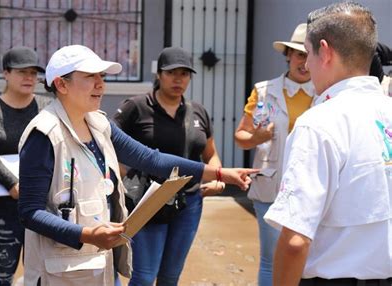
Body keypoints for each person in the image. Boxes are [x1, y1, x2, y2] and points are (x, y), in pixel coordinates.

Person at [17, 44, 257, 285]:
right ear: (61, 84)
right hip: (58, 270)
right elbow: (30, 213)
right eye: (90, 76)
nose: (101, 84)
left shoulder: (99, 124)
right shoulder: (44, 135)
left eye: (102, 76)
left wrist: (218, 173)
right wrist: (86, 235)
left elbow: (150, 159)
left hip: (97, 262)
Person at [263, 2, 392, 285]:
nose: (306, 63)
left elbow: (295, 240)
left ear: (326, 51)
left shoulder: (319, 124)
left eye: (307, 53)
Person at [113, 46, 225, 286]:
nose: (178, 79)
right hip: (149, 200)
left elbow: (211, 154)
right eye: (172, 72)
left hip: (190, 202)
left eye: (185, 73)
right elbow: (106, 143)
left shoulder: (198, 112)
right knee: (143, 276)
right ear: (159, 75)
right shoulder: (136, 107)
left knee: (170, 276)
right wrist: (124, 175)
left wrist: (217, 177)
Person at [234, 23, 315, 286]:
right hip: (270, 187)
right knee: (271, 260)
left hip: (311, 190)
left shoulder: (326, 94)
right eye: (299, 54)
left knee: (308, 259)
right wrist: (257, 137)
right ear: (288, 56)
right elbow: (242, 138)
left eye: (308, 55)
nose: (303, 62)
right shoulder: (267, 91)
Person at [0, 46, 52, 285]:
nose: (29, 78)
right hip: (2, 203)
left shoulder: (47, 107)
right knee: (2, 273)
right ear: (5, 73)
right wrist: (12, 183)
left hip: (42, 203)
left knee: (41, 272)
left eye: (33, 72)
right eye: (22, 71)